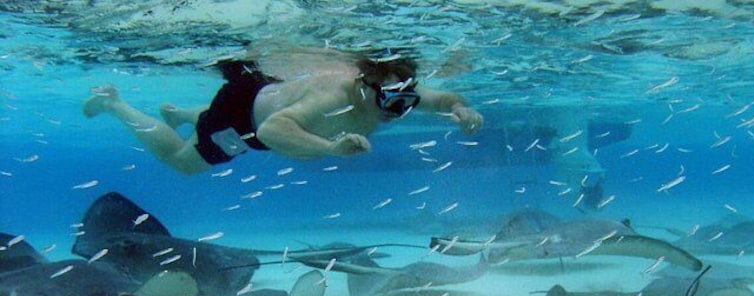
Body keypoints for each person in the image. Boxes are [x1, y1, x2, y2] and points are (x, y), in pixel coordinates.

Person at [83, 54, 484, 174]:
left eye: (406, 101)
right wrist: (330, 147)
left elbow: (443, 98)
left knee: (200, 135)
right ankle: (113, 103)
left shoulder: (394, 87)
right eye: (391, 101)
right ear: (365, 85)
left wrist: (461, 108)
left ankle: (185, 114)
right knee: (184, 163)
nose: (397, 111)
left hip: (268, 94)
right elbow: (273, 131)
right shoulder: (332, 100)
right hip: (242, 119)